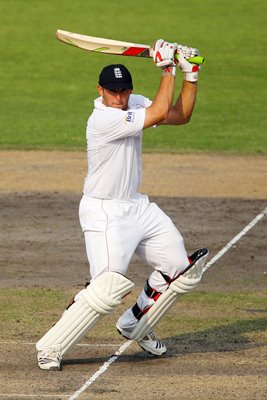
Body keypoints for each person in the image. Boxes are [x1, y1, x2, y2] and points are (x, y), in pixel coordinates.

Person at [36, 39, 208, 371]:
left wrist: (191, 74)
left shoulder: (134, 104)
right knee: (106, 289)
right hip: (104, 212)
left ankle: (136, 325)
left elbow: (180, 115)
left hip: (137, 207)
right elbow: (158, 110)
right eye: (113, 91)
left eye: (125, 91)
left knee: (181, 270)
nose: (120, 97)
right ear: (100, 90)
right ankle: (52, 346)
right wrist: (168, 68)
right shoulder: (101, 120)